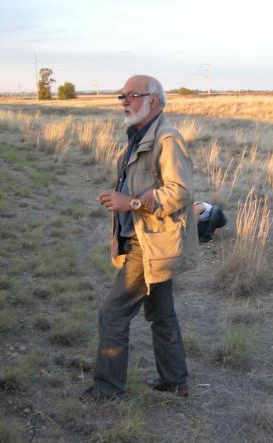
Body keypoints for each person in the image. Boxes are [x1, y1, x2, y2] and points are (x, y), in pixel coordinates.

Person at [82, 75, 199, 401]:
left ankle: (107, 391)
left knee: (113, 314)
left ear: (155, 101)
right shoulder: (140, 134)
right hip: (149, 240)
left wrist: (130, 203)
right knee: (162, 314)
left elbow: (179, 192)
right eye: (122, 96)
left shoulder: (167, 139)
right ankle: (175, 382)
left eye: (132, 95)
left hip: (149, 244)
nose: (124, 101)